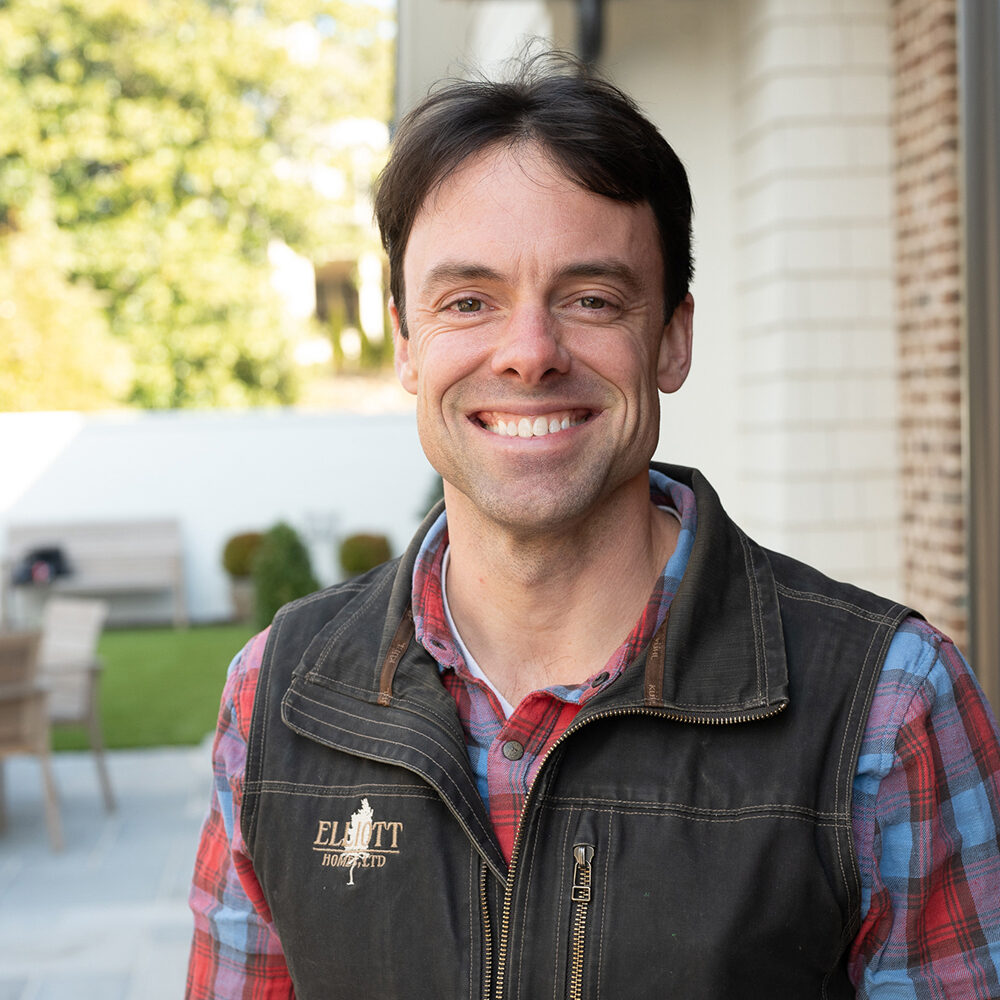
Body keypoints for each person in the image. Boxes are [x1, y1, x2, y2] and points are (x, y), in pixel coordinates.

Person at [186, 54, 1000, 999]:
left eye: (591, 299)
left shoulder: (887, 709)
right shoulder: (274, 702)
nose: (530, 352)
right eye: (468, 302)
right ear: (407, 345)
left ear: (672, 339)